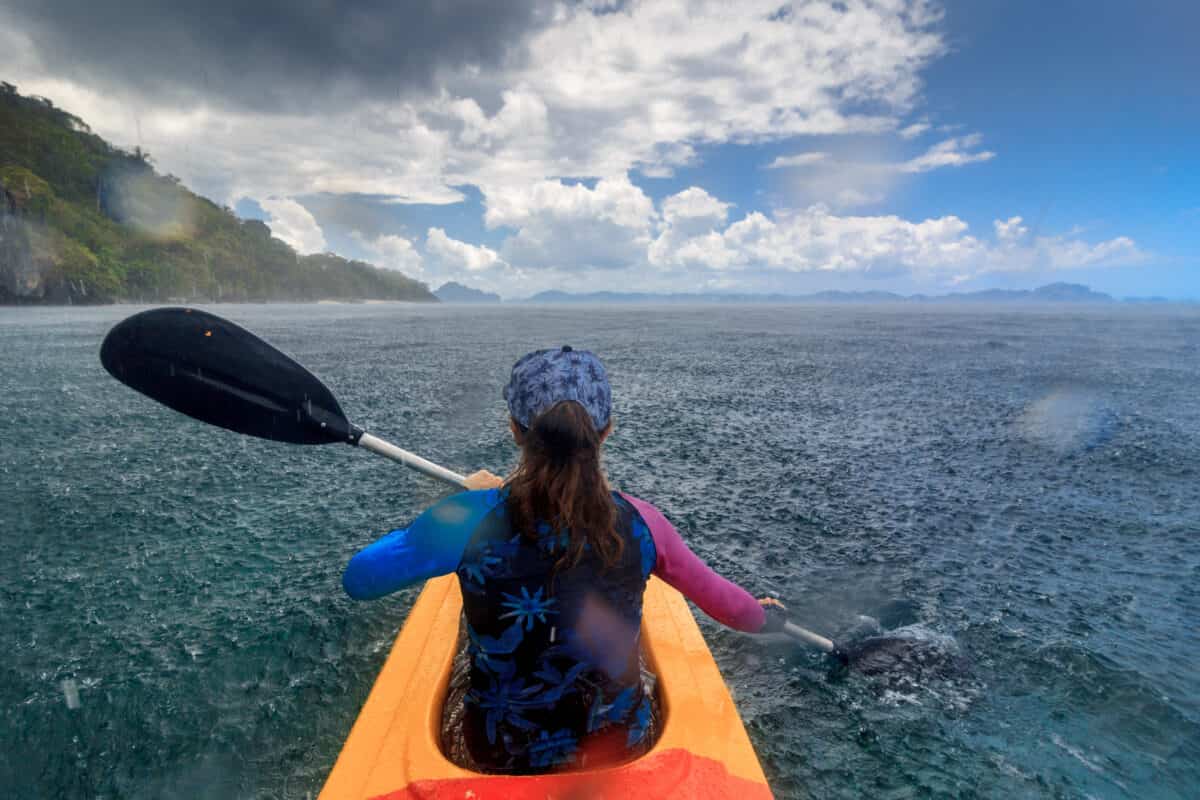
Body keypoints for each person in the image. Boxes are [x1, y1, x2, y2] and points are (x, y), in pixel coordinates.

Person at [342, 346, 786, 774]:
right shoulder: (644, 523)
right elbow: (729, 607)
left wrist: (466, 505)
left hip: (499, 751)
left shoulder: (465, 519)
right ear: (606, 430)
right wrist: (764, 618)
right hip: (617, 743)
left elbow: (359, 579)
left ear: (515, 429)